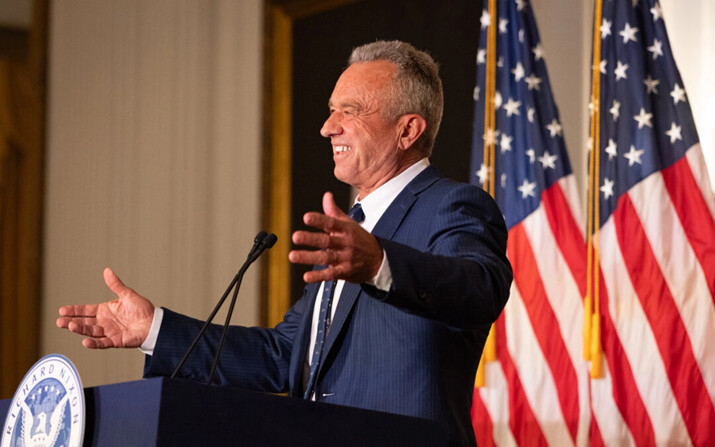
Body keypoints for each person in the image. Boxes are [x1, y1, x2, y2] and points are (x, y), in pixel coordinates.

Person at [57, 40, 512, 447]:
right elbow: (282, 356)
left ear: (407, 130)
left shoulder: (454, 206)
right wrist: (154, 329)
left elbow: (479, 288)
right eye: (332, 109)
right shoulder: (352, 230)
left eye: (349, 111)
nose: (327, 127)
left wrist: (380, 264)